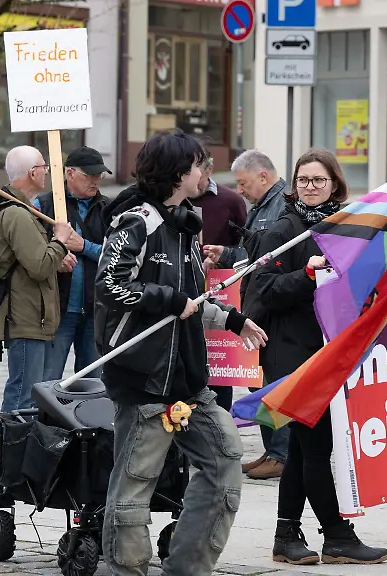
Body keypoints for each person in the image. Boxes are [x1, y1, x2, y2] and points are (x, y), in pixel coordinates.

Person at [95, 129, 268, 576]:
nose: (205, 172)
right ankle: (126, 570)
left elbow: (191, 301)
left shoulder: (186, 224)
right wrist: (169, 300)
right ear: (177, 173)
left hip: (189, 380)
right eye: (197, 165)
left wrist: (233, 320)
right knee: (135, 484)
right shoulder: (137, 221)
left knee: (224, 463)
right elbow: (110, 286)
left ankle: (189, 567)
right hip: (144, 377)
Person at [253, 147, 387, 565]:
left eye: (318, 180)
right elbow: (261, 292)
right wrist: (306, 275)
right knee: (315, 447)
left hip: (328, 351)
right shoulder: (283, 231)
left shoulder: (342, 227)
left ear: (334, 184)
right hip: (293, 355)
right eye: (303, 180)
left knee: (300, 448)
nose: (310, 187)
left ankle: (285, 536)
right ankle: (336, 534)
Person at [0, 145, 75, 481]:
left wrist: (55, 255)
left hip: (34, 315)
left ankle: (12, 459)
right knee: (21, 393)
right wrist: (60, 241)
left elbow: (34, 261)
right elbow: (38, 266)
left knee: (26, 392)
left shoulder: (24, 209)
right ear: (33, 172)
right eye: (44, 166)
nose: (47, 171)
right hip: (24, 317)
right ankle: (3, 462)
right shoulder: (17, 214)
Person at [203, 149, 289, 480]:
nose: (240, 190)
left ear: (263, 177)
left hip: (273, 307)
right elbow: (255, 254)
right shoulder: (264, 205)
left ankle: (281, 454)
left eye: (244, 183)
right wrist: (227, 255)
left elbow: (271, 258)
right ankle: (272, 450)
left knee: (271, 383)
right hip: (260, 304)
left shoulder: (281, 206)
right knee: (260, 382)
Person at [33, 146, 111, 380]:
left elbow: (117, 256)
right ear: (70, 173)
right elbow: (31, 252)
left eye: (99, 175)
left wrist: (84, 246)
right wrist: (54, 256)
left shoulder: (108, 209)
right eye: (89, 175)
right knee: (48, 378)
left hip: (96, 309)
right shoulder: (44, 205)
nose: (95, 181)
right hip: (57, 309)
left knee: (94, 382)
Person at [188, 153, 248, 413]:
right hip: (187, 292)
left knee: (220, 364)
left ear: (209, 170)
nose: (194, 180)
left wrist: (222, 258)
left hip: (221, 291)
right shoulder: (176, 199)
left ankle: (220, 418)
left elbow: (245, 246)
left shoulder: (230, 201)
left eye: (198, 173)